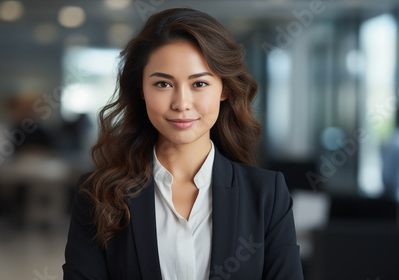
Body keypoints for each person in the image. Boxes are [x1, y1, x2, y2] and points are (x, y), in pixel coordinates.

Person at [63, 8, 303, 280]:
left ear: (224, 89)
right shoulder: (97, 195)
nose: (181, 103)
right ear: (141, 89)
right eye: (163, 84)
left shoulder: (267, 194)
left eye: (199, 83)